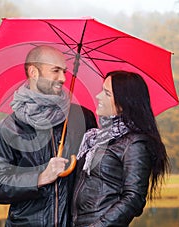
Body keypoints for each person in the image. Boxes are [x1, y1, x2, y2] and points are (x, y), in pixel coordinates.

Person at [0, 45, 97, 226]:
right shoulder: (9, 128)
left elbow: (96, 175)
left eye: (64, 72)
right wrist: (40, 177)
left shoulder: (82, 118)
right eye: (55, 71)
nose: (62, 78)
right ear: (34, 72)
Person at [71, 70, 170, 227]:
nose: (98, 96)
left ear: (124, 103)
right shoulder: (94, 138)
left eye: (107, 93)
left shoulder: (135, 143)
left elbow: (134, 198)